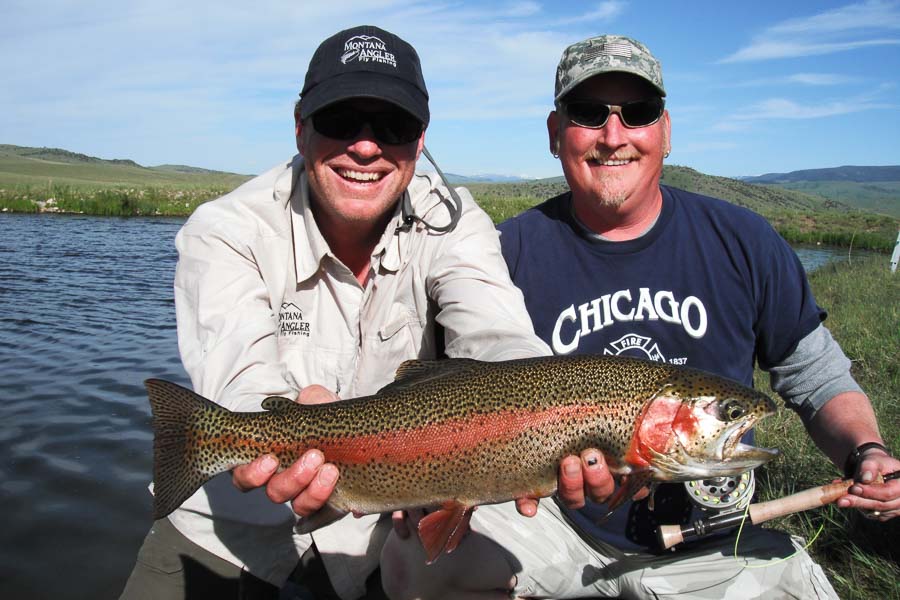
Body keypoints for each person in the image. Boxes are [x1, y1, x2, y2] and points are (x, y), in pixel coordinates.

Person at [380, 34, 900, 599]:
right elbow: (440, 394)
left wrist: (866, 451)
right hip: (551, 527)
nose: (613, 135)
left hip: (711, 539)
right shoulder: (500, 254)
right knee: (412, 563)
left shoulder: (744, 241)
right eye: (587, 113)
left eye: (639, 112)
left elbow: (816, 376)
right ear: (555, 134)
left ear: (665, 131)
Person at [119, 24, 580, 600]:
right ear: (300, 126)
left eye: (392, 126)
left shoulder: (455, 223)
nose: (366, 147)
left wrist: (550, 421)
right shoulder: (227, 230)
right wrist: (283, 424)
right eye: (341, 120)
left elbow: (499, 336)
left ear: (419, 140)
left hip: (387, 530)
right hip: (231, 528)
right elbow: (239, 373)